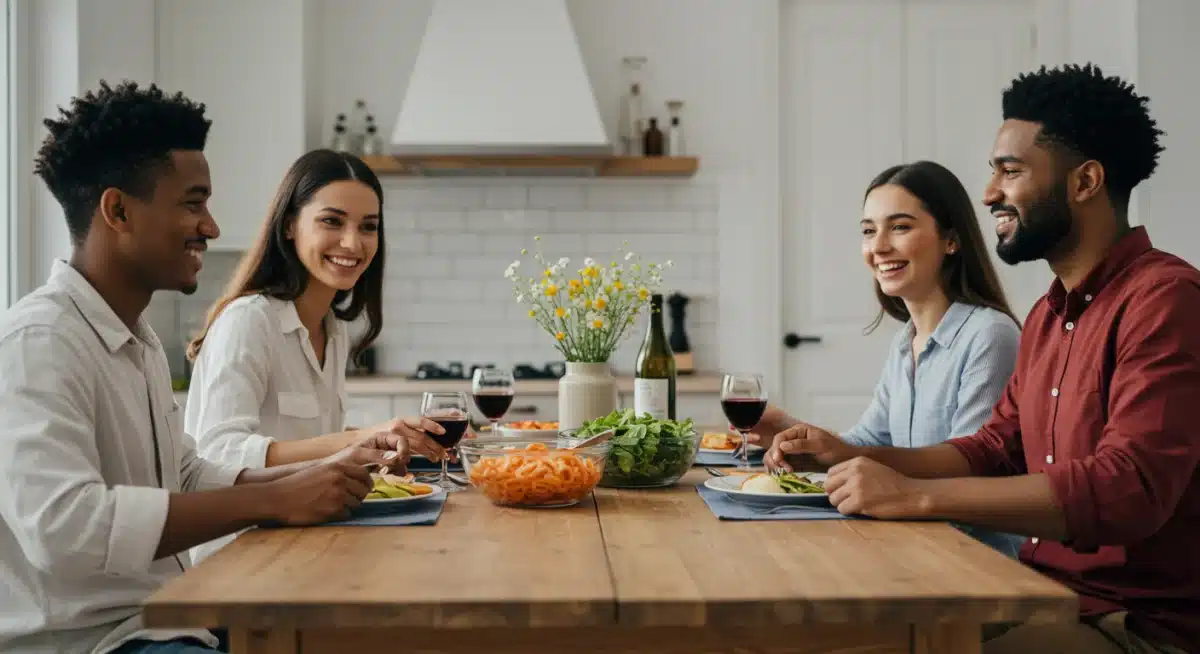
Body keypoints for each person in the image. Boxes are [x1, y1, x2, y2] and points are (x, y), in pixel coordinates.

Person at [765, 64, 1197, 654]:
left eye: (1010, 171)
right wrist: (853, 455)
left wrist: (912, 495)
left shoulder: (1165, 299)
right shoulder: (1050, 315)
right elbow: (992, 450)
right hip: (1040, 593)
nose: (990, 192)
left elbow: (1128, 488)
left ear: (1086, 181)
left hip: (1131, 624)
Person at [0, 81, 408, 654]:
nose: (212, 227)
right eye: (193, 204)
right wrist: (275, 498)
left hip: (162, 620)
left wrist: (311, 480)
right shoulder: (39, 342)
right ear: (117, 210)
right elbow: (65, 530)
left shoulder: (134, 339)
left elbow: (187, 473)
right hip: (90, 642)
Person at [182, 149, 447, 562]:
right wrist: (356, 438)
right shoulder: (249, 321)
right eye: (332, 221)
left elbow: (316, 451)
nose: (352, 242)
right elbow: (216, 454)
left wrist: (375, 449)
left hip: (308, 544)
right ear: (290, 226)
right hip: (242, 558)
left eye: (368, 227)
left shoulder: (333, 329)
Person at [750, 160, 1025, 556]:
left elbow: (973, 465)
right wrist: (796, 434)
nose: (878, 247)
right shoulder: (905, 342)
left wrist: (844, 455)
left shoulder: (989, 335)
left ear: (951, 239)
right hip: (911, 543)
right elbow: (869, 442)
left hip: (971, 558)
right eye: (868, 231)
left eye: (900, 227)